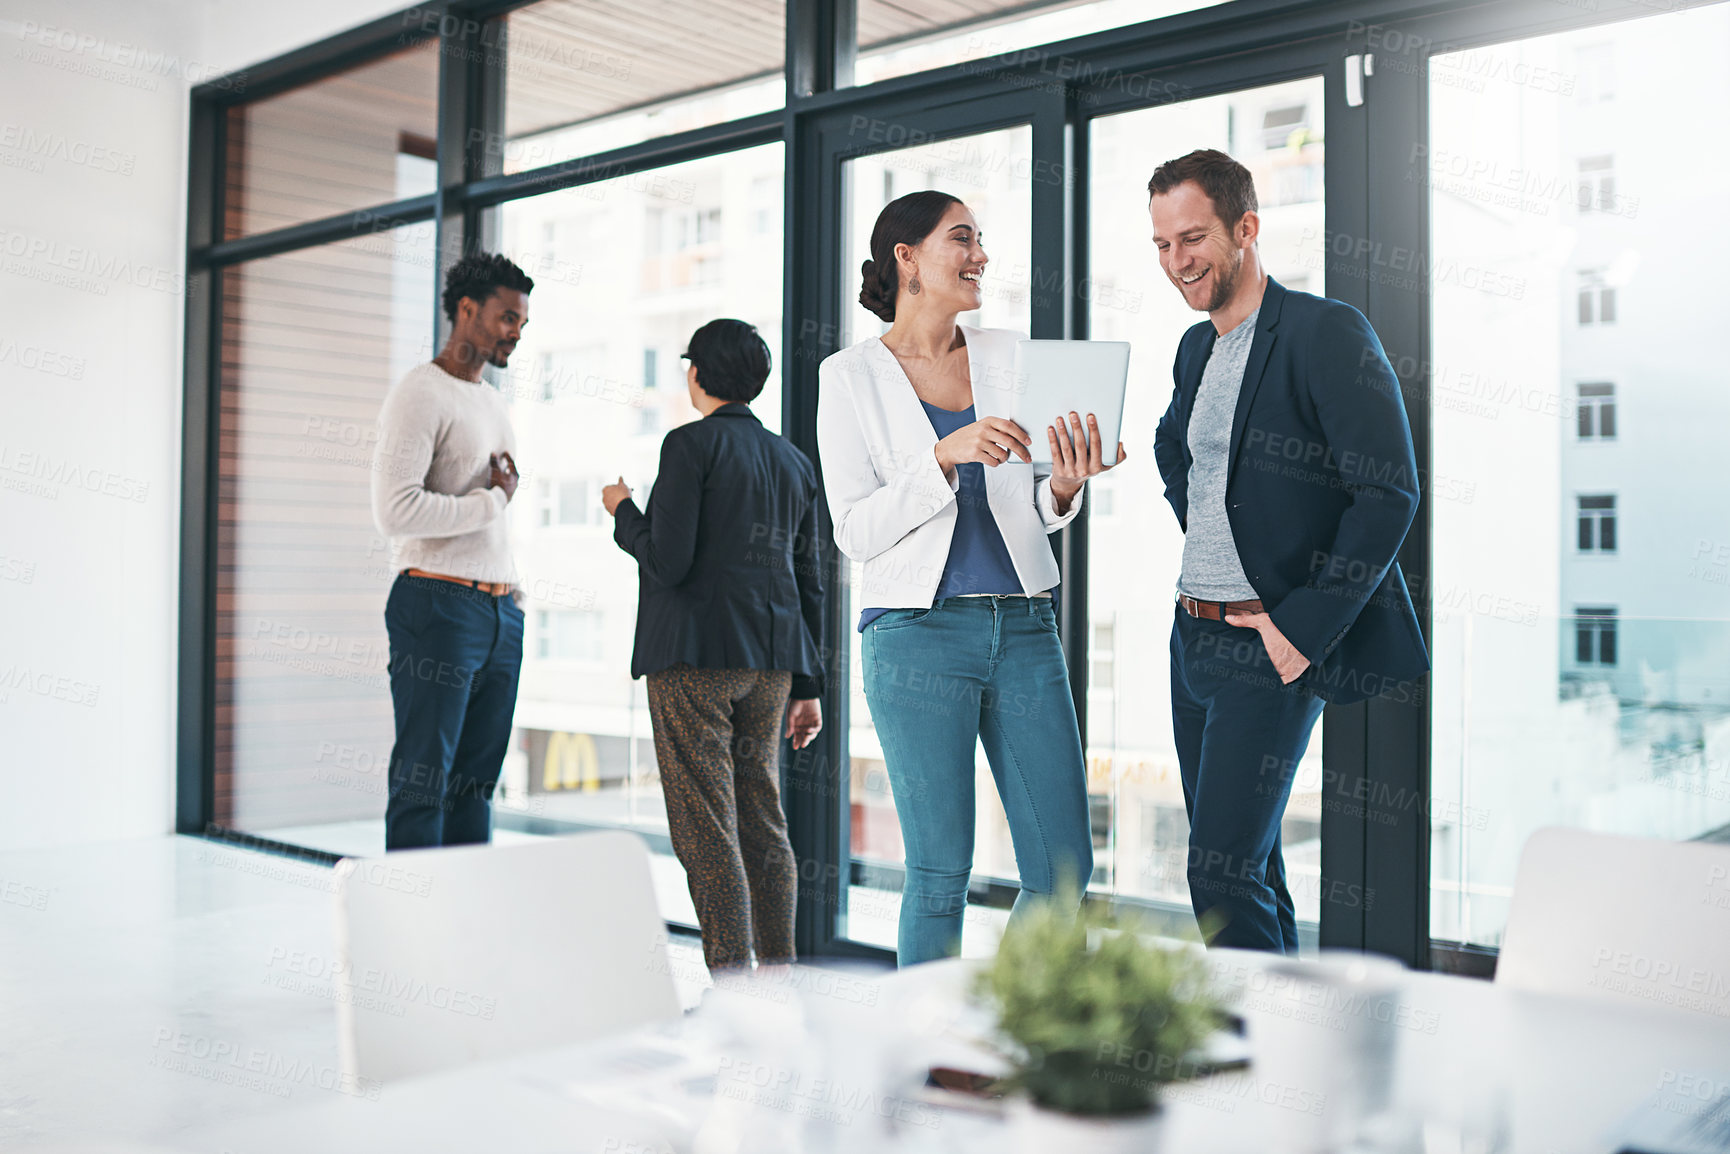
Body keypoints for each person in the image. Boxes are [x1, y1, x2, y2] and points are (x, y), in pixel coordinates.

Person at [816, 190, 1124, 966]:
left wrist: (1066, 484)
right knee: (938, 874)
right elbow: (853, 531)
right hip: (915, 637)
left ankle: (1003, 1028)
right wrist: (942, 460)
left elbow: (1040, 503)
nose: (980, 254)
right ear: (907, 259)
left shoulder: (1008, 357)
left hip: (1023, 626)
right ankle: (928, 1063)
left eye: (981, 240)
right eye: (963, 240)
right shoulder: (849, 377)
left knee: (1062, 869)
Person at [1148, 149, 1429, 952]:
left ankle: (1254, 1071)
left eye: (1193, 239)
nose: (1178, 263)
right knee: (1251, 867)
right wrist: (1216, 534)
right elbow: (1181, 456)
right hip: (1191, 637)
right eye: (1163, 246)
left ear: (1247, 228)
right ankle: (1295, 1053)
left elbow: (1389, 492)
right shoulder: (1194, 349)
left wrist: (1297, 629)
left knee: (1219, 880)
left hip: (1268, 646)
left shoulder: (1325, 332)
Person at [601, 319, 825, 975]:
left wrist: (622, 511)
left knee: (707, 827)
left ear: (696, 374)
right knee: (762, 818)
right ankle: (779, 976)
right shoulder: (793, 460)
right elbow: (808, 579)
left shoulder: (688, 446)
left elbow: (667, 563)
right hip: (772, 665)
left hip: (694, 659)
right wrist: (807, 686)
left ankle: (733, 987)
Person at [370, 252, 533, 851]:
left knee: (475, 786)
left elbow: (500, 494)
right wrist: (491, 502)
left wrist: (510, 594)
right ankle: (412, 938)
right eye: (507, 317)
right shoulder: (420, 393)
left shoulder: (492, 401)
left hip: (497, 614)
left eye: (522, 323)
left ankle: (466, 930)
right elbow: (395, 510)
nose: (516, 332)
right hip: (436, 604)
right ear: (468, 310)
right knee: (423, 780)